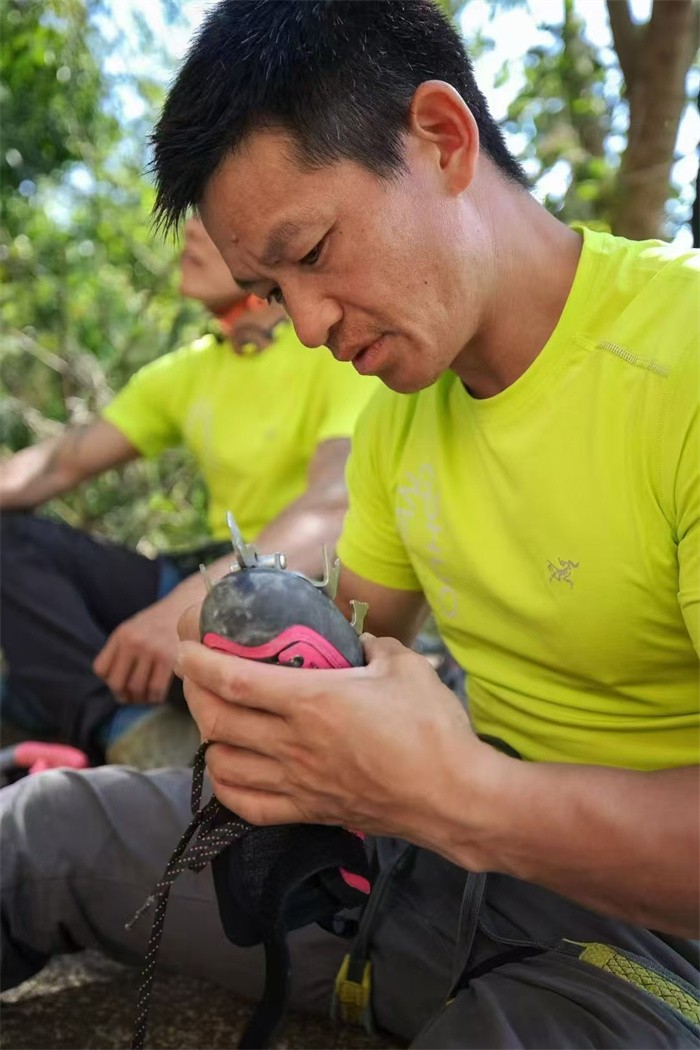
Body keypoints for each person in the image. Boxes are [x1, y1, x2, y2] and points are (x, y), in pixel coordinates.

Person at [2, 2, 698, 1047]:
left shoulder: (676, 365)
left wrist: (461, 793)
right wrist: (260, 703)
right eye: (273, 291)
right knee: (39, 834)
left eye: (313, 251)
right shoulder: (401, 421)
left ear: (441, 138)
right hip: (417, 865)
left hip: (650, 935)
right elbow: (340, 631)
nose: (311, 325)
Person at [0, 216, 378, 767]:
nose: (191, 234)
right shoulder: (184, 373)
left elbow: (334, 509)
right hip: (196, 578)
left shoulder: (333, 348)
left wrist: (186, 606)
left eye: (213, 218)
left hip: (293, 596)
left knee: (28, 688)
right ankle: (126, 727)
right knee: (11, 541)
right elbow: (56, 465)